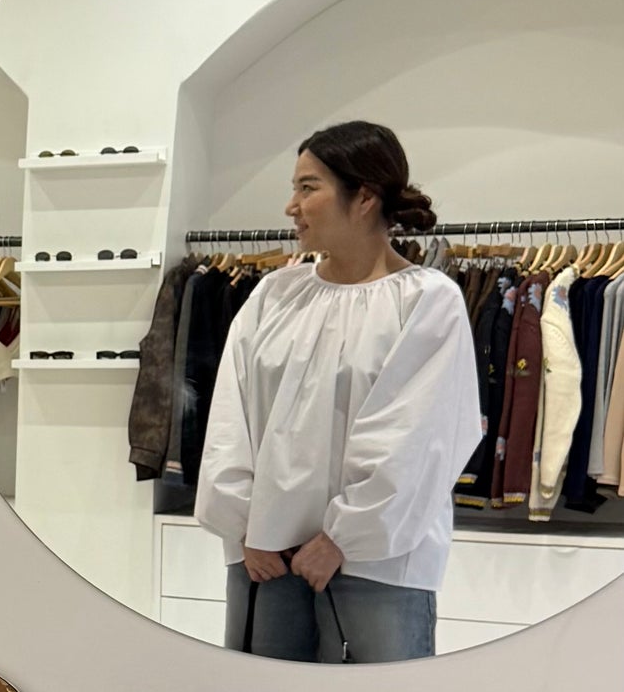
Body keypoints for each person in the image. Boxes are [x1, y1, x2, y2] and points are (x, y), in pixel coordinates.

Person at [195, 120, 482, 662]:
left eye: (308, 188)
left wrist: (341, 540)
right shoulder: (274, 294)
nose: (291, 206)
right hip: (265, 556)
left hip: (376, 564)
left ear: (365, 197)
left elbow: (416, 438)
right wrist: (244, 527)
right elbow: (231, 417)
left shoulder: (426, 301)